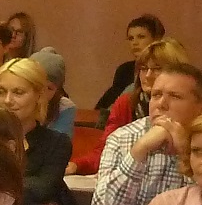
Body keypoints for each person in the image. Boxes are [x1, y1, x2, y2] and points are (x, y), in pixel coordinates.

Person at [90, 61, 202, 205]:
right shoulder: (122, 138)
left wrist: (186, 153)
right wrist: (139, 151)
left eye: (175, 96)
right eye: (156, 95)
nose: (161, 104)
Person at [75, 37, 190, 175]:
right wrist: (77, 165)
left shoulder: (190, 107)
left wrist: (183, 149)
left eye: (157, 69)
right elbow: (104, 149)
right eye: (144, 69)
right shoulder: (127, 103)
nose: (148, 75)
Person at [0, 57, 72, 205]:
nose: (7, 100)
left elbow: (42, 189)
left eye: (18, 92)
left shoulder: (56, 143)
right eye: (1, 92)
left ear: (39, 95)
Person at [94, 14, 165, 117]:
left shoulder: (168, 67)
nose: (135, 43)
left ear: (156, 39)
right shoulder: (125, 70)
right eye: (131, 38)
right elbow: (107, 105)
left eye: (141, 37)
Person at [27, 47, 79, 134]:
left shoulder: (65, 107)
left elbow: (61, 140)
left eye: (50, 88)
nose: (43, 92)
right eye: (39, 86)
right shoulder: (17, 102)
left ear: (58, 90)